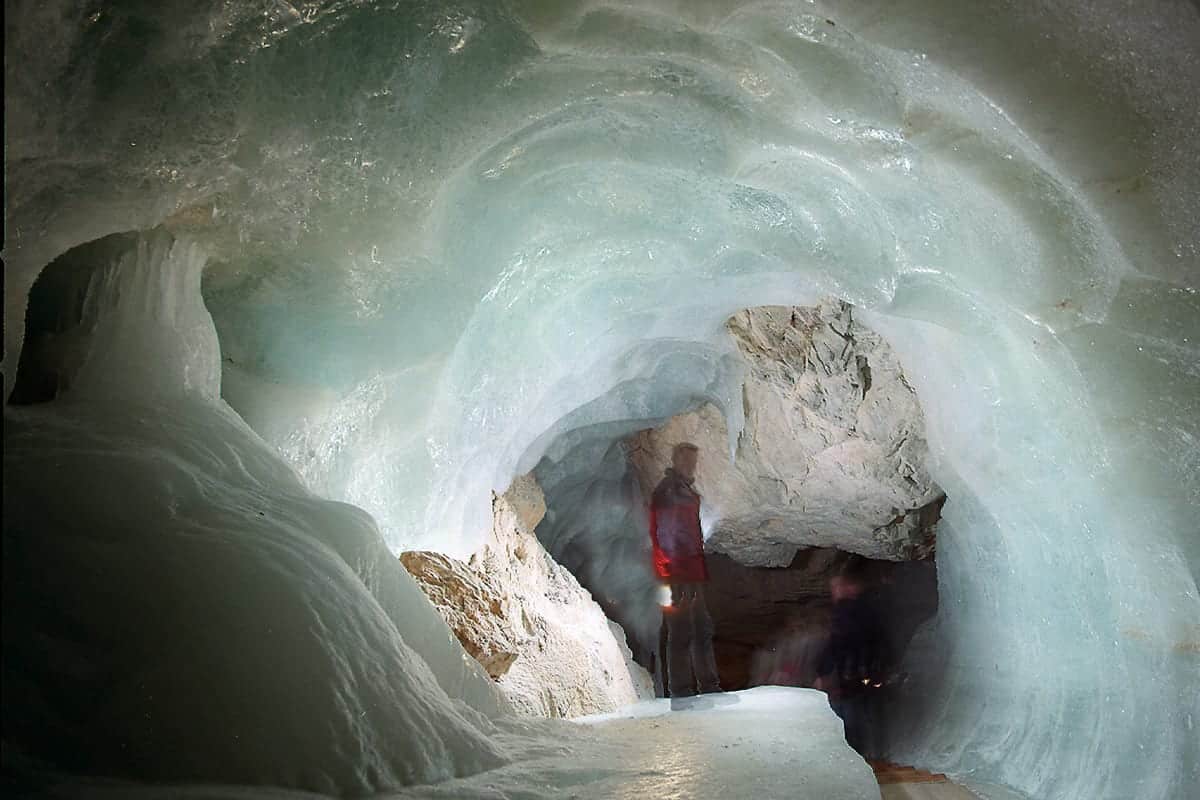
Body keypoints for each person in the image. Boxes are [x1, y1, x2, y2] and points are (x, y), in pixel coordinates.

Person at [649, 442, 722, 709]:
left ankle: (708, 685)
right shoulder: (669, 491)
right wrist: (673, 575)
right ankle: (681, 691)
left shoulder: (682, 490)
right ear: (676, 460)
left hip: (689, 571)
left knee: (702, 628)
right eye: (687, 460)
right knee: (680, 631)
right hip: (675, 573)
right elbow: (666, 534)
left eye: (693, 460)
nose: (691, 465)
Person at [815, 560, 891, 754]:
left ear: (849, 587)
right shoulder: (870, 610)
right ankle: (873, 757)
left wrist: (823, 672)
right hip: (862, 679)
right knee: (864, 720)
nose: (833, 591)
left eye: (836, 586)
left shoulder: (845, 611)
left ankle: (854, 760)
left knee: (847, 725)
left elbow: (838, 645)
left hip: (845, 679)